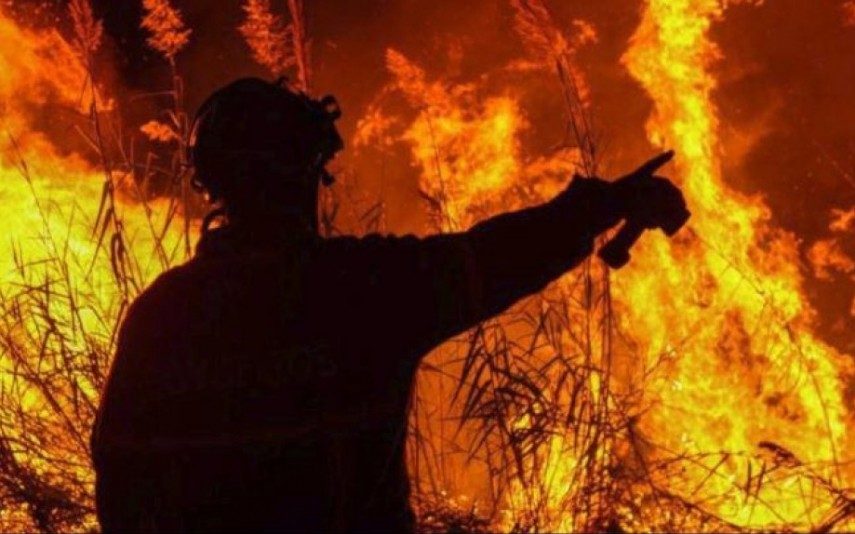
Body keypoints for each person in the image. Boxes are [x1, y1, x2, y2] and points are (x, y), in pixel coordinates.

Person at [91, 78, 687, 533]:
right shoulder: (363, 289)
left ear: (209, 183)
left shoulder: (161, 318)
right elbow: (499, 257)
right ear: (309, 172)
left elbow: (121, 487)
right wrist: (606, 203)